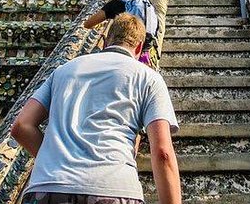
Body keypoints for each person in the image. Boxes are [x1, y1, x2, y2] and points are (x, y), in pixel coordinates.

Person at [12, 14, 182, 204]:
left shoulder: (63, 70)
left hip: (48, 187)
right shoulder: (149, 78)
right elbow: (162, 153)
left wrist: (54, 160)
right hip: (114, 189)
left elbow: (21, 126)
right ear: (139, 47)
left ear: (104, 40)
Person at [84, 0, 159, 66]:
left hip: (119, 49)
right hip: (144, 51)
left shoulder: (117, 2)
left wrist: (101, 27)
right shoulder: (148, 7)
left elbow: (88, 24)